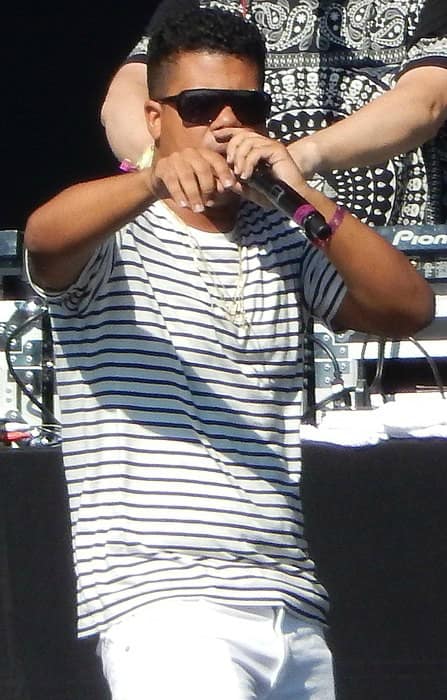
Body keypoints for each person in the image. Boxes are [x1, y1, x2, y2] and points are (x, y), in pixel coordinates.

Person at [25, 7, 434, 699]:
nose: (223, 123)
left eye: (244, 107)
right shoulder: (115, 236)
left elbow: (407, 309)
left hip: (289, 604)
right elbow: (43, 237)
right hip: (163, 604)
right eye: (199, 106)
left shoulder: (279, 237)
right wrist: (152, 178)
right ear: (156, 117)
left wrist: (298, 189)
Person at [101, 0, 447, 226]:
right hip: (256, 265)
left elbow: (427, 102)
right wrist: (162, 167)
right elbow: (126, 94)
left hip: (391, 260)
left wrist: (292, 161)